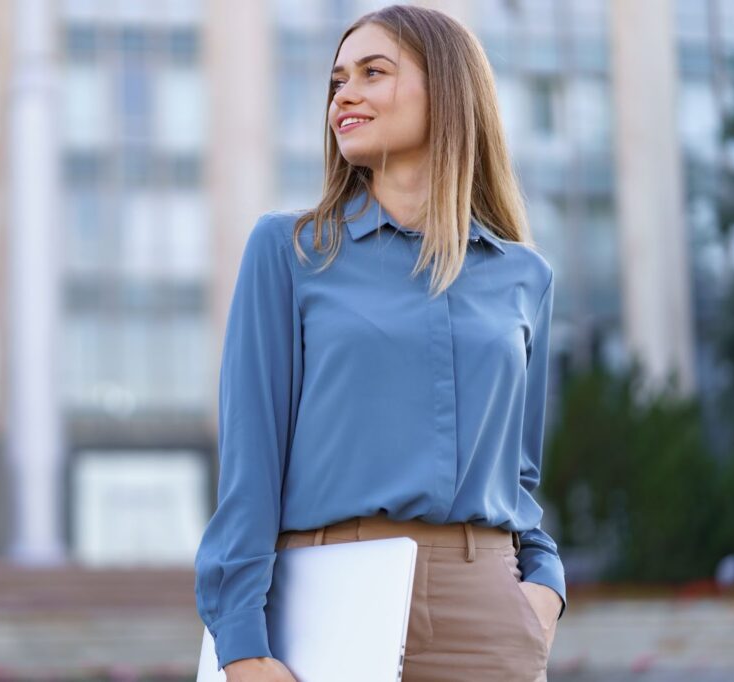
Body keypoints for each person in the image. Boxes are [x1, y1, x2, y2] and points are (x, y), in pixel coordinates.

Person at [194, 5, 566, 681]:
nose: (345, 95)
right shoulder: (289, 252)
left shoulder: (524, 277)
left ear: (448, 92)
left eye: (374, 72)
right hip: (331, 609)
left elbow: (519, 477)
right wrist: (243, 648)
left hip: (486, 613)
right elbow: (249, 470)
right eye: (338, 81)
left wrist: (544, 584)